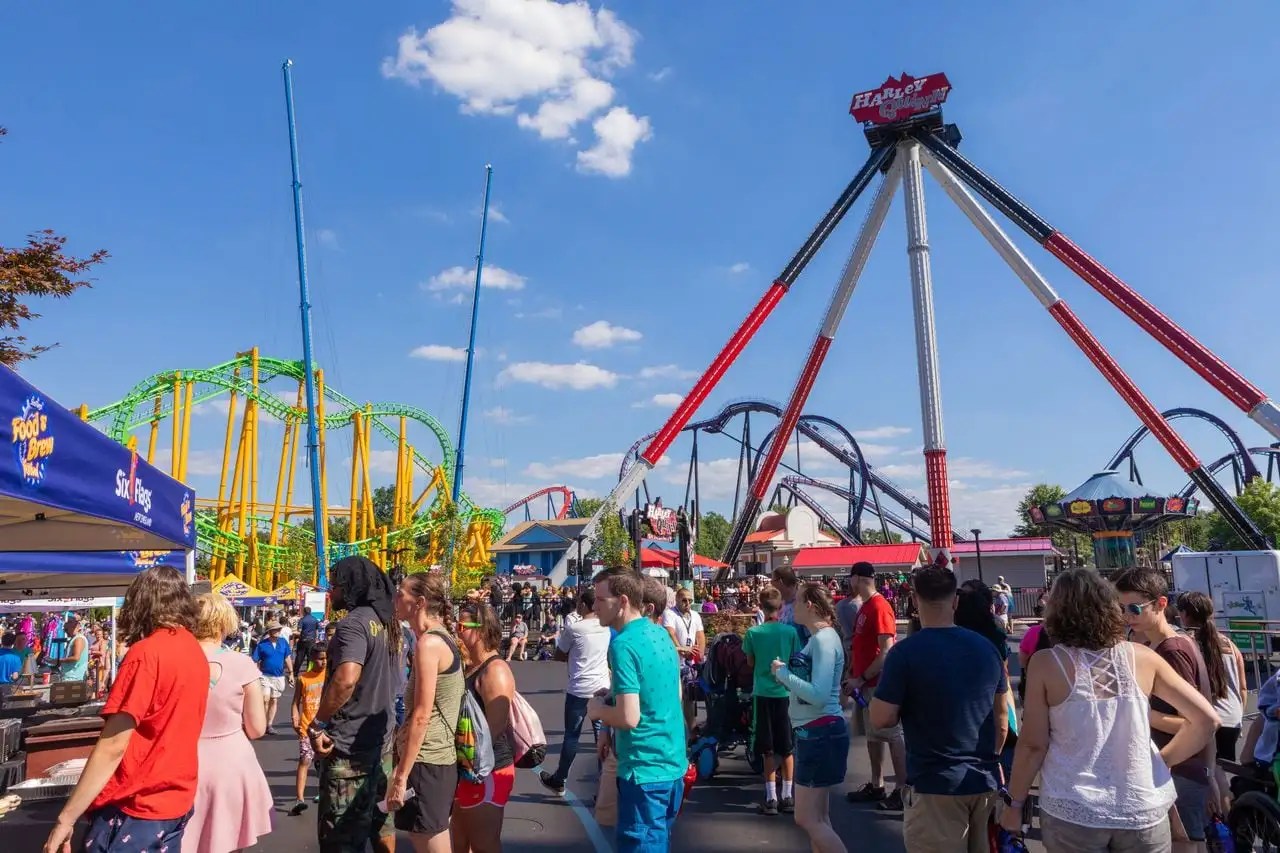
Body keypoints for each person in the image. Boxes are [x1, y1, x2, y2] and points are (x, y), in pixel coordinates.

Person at [1001, 568, 1219, 850]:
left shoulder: (1046, 663)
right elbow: (1206, 720)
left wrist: (1015, 803)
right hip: (1143, 807)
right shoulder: (1143, 657)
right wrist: (1162, 761)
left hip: (1073, 807)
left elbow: (1033, 745)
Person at [43, 566, 209, 853]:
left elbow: (114, 745)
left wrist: (65, 819)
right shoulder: (193, 650)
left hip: (136, 803)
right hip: (174, 800)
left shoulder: (147, 653)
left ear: (141, 602)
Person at [871, 566, 1008, 853]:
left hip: (934, 782)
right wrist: (991, 758)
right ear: (954, 601)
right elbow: (1002, 718)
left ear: (914, 600)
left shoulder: (905, 653)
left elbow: (881, 718)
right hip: (983, 779)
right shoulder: (987, 649)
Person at [1115, 567, 1217, 846]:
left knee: (1183, 844)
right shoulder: (1173, 642)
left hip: (1178, 771)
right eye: (1121, 608)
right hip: (1181, 770)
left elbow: (1196, 722)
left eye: (1134, 608)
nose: (1127, 617)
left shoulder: (1171, 650)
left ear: (1161, 604)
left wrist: (1141, 714)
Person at [588, 568, 686, 852]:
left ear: (622, 601)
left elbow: (629, 718)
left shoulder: (624, 645)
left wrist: (597, 711)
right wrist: (614, 696)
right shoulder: (660, 635)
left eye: (599, 599)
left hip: (644, 768)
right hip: (671, 762)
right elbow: (666, 692)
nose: (593, 607)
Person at [307, 556, 401, 853]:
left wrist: (318, 722)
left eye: (334, 586)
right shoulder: (389, 622)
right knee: (381, 824)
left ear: (351, 587)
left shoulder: (353, 625)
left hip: (349, 749)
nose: (330, 592)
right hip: (382, 744)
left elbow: (347, 679)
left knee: (342, 837)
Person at [183, 594, 273, 852]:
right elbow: (257, 728)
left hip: (183, 762)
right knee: (230, 839)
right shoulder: (241, 664)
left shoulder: (173, 661)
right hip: (232, 765)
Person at [389, 573, 465, 852]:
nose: (395, 600)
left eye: (401, 594)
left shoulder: (429, 644)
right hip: (434, 759)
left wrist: (400, 775)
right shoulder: (438, 639)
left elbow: (422, 715)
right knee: (426, 838)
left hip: (426, 760)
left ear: (419, 602)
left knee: (428, 841)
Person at [771, 583, 848, 853]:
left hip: (818, 732)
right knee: (820, 818)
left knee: (805, 817)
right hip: (817, 730)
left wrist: (783, 674)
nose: (790, 605)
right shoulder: (822, 639)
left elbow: (818, 694)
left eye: (798, 600)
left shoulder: (824, 640)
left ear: (810, 606)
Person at [452, 600, 517, 853]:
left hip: (488, 769)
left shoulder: (495, 670)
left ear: (481, 629)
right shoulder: (472, 666)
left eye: (462, 625)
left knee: (484, 844)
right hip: (467, 767)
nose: (457, 630)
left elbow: (496, 726)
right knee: (458, 842)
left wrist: (472, 764)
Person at [845, 561, 907, 811]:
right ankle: (877, 783)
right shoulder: (865, 607)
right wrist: (853, 673)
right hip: (864, 683)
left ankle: (902, 789)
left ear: (857, 578)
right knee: (873, 735)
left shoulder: (879, 607)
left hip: (879, 684)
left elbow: (886, 651)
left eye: (850, 578)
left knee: (892, 736)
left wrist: (861, 678)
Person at [540, 587, 611, 795]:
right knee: (602, 736)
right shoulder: (605, 627)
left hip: (579, 688)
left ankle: (560, 779)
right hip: (601, 687)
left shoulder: (575, 629)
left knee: (572, 736)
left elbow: (559, 655)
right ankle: (604, 783)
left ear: (584, 605)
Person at [743, 586, 800, 816]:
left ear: (761, 606)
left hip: (763, 694)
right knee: (787, 747)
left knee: (767, 748)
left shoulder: (753, 633)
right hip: (785, 694)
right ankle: (787, 795)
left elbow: (749, 662)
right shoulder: (790, 633)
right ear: (780, 606)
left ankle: (771, 797)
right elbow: (796, 660)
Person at [662, 587, 706, 731]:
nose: (687, 603)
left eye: (690, 600)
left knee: (689, 697)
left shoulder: (695, 615)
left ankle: (692, 729)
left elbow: (700, 635)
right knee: (675, 697)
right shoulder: (670, 613)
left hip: (690, 663)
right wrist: (681, 648)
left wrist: (699, 653)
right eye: (684, 600)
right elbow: (670, 633)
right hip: (674, 662)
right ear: (677, 600)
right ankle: (672, 727)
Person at [291, 644, 328, 816]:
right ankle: (299, 799)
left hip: (326, 728)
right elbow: (295, 702)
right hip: (307, 727)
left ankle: (323, 792)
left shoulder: (329, 677)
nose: (324, 662)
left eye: (326, 658)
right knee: (305, 760)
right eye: (320, 658)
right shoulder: (304, 679)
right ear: (313, 659)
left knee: (324, 763)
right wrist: (295, 719)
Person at [251, 622, 293, 734]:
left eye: (279, 629)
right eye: (276, 629)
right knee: (265, 699)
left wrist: (291, 673)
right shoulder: (262, 645)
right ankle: (262, 723)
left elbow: (287, 658)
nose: (278, 631)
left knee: (274, 700)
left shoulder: (283, 642)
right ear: (269, 632)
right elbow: (255, 660)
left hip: (279, 676)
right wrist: (255, 674)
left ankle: (269, 724)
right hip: (265, 675)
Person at [771, 567, 809, 643]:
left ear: (780, 581)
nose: (772, 585)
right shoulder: (781, 604)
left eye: (772, 582)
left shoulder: (803, 603)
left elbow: (812, 637)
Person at [52, 616, 89, 682]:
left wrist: (60, 660)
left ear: (72, 628)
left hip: (74, 677)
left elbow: (76, 657)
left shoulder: (78, 639)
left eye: (66, 629)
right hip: (70, 676)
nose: (65, 632)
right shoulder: (74, 638)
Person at [295, 606, 321, 678]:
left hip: (303, 640)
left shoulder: (302, 620)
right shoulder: (315, 619)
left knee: (300, 657)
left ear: (304, 612)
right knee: (310, 657)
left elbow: (299, 631)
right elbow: (317, 630)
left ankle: (295, 672)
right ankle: (309, 672)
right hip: (312, 640)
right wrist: (316, 638)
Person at [834, 577, 860, 643]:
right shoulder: (861, 604)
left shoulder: (838, 605)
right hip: (859, 643)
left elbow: (836, 627)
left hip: (845, 643)